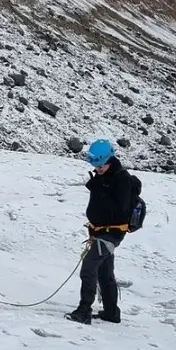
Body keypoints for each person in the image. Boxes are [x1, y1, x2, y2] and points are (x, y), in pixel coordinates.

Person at [67, 138, 134, 323]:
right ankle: (112, 312)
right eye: (95, 166)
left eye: (100, 166)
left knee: (88, 269)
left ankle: (84, 311)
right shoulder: (104, 176)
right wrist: (98, 187)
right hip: (99, 232)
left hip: (111, 234)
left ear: (109, 159)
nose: (97, 169)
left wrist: (99, 189)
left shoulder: (122, 178)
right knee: (104, 272)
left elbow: (119, 209)